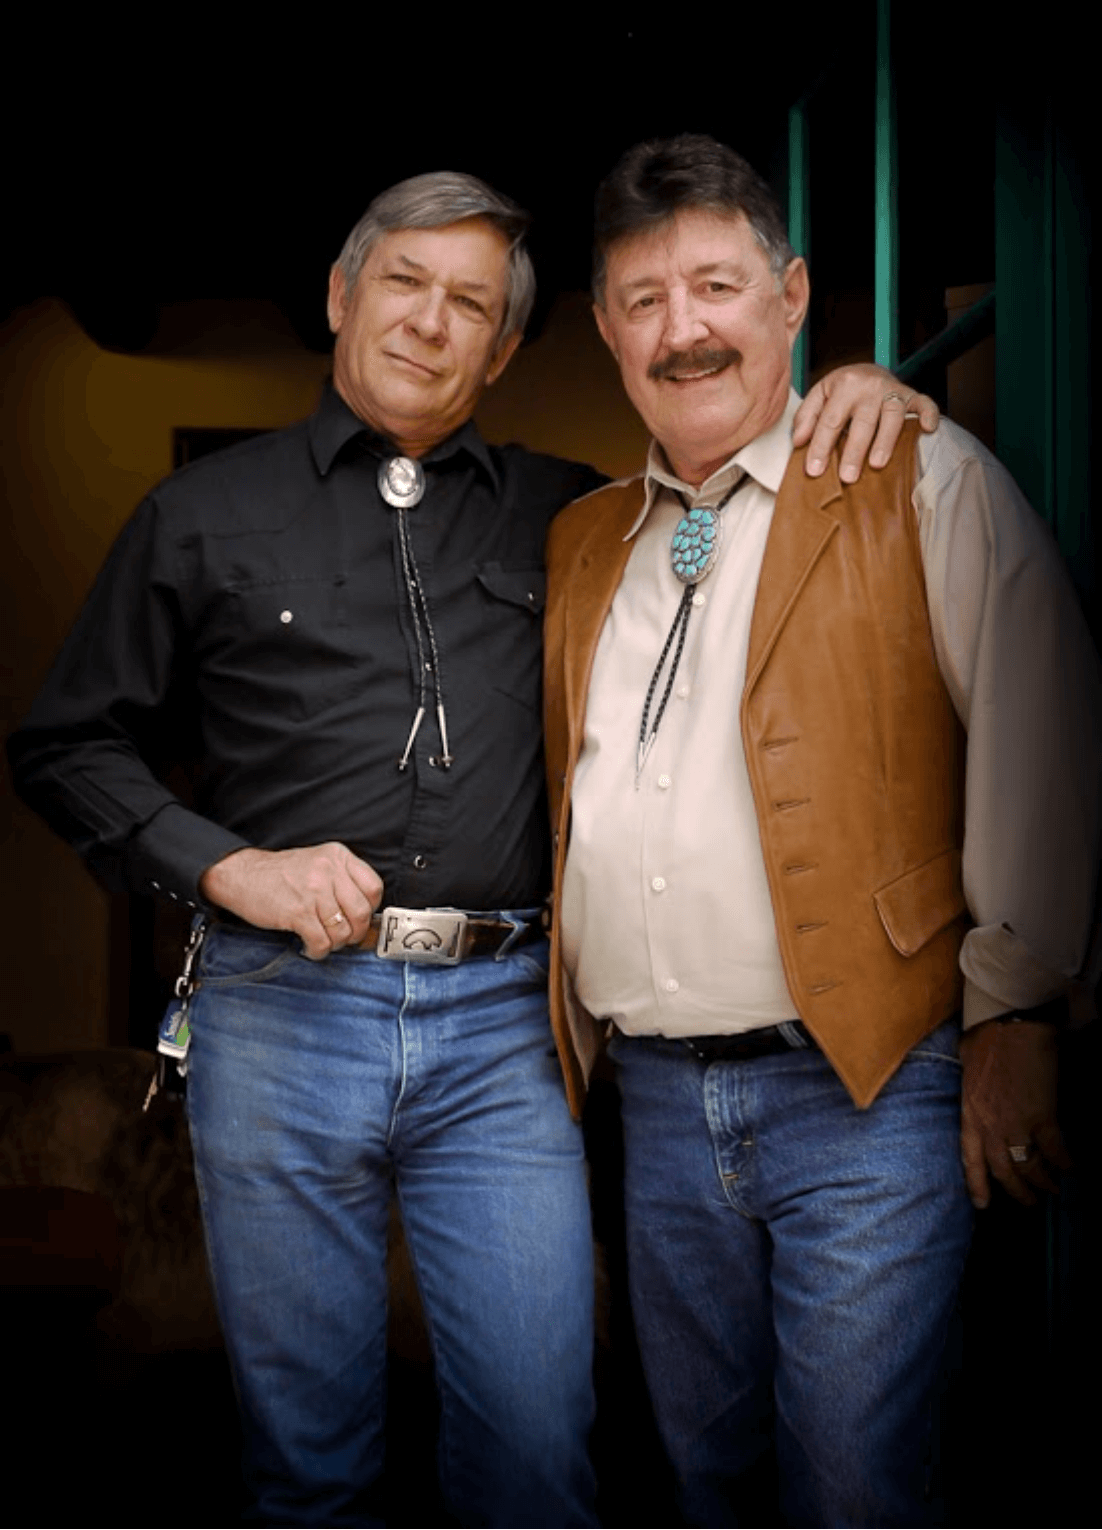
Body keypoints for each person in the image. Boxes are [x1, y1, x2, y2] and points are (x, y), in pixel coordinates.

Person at [9, 167, 933, 1528]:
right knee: (307, 1459)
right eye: (405, 284)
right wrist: (227, 865)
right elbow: (63, 744)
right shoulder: (197, 517)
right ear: (341, 294)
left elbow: (745, 505)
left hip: (505, 1027)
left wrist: (872, 399)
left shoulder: (582, 518)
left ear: (504, 348)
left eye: (472, 307)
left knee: (538, 1449)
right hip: (277, 1015)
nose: (432, 323)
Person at [543, 135, 1101, 1527]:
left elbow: (1043, 718)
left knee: (853, 1491)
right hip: (655, 1109)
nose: (683, 330)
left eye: (715, 284)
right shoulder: (582, 540)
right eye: (643, 298)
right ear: (607, 330)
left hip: (861, 1090)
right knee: (701, 1485)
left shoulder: (914, 470)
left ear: (790, 298)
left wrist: (1016, 1008)